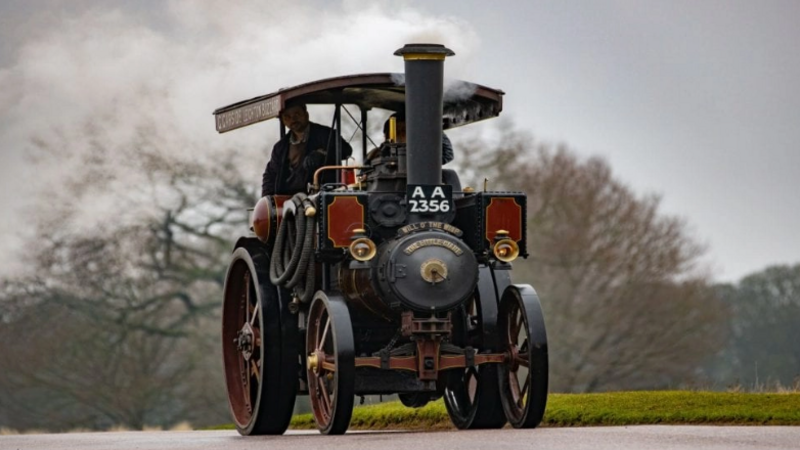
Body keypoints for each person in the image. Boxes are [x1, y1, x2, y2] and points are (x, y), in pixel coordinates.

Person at [261, 103, 353, 196]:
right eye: (287, 117)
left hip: (320, 195)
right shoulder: (280, 147)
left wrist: (322, 154)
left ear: (306, 114)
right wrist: (268, 202)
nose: (293, 119)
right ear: (283, 121)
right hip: (288, 200)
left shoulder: (325, 134)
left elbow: (346, 151)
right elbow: (270, 175)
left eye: (296, 114)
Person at [368, 112, 454, 164]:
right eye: (399, 131)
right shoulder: (376, 154)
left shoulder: (420, 154)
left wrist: (433, 125)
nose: (401, 135)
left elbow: (447, 155)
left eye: (404, 131)